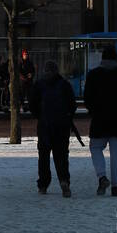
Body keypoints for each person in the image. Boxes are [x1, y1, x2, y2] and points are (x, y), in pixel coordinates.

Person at [84, 43, 117, 197]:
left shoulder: (93, 75)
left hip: (99, 119)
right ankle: (115, 186)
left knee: (95, 148)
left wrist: (93, 111)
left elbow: (87, 97)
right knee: (116, 154)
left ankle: (102, 177)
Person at [30, 59, 77, 196]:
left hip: (44, 125)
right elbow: (72, 105)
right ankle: (64, 180)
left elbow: (32, 104)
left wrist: (40, 116)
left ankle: (43, 185)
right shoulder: (64, 85)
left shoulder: (39, 85)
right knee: (61, 155)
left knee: (43, 156)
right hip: (61, 126)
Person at [18, 48, 36, 114]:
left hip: (29, 81)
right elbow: (18, 72)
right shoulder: (20, 62)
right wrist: (22, 77)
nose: (25, 55)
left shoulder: (30, 62)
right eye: (24, 54)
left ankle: (29, 106)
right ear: (22, 55)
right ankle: (22, 106)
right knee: (22, 95)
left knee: (29, 95)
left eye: (26, 54)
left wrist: (31, 75)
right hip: (22, 81)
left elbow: (33, 71)